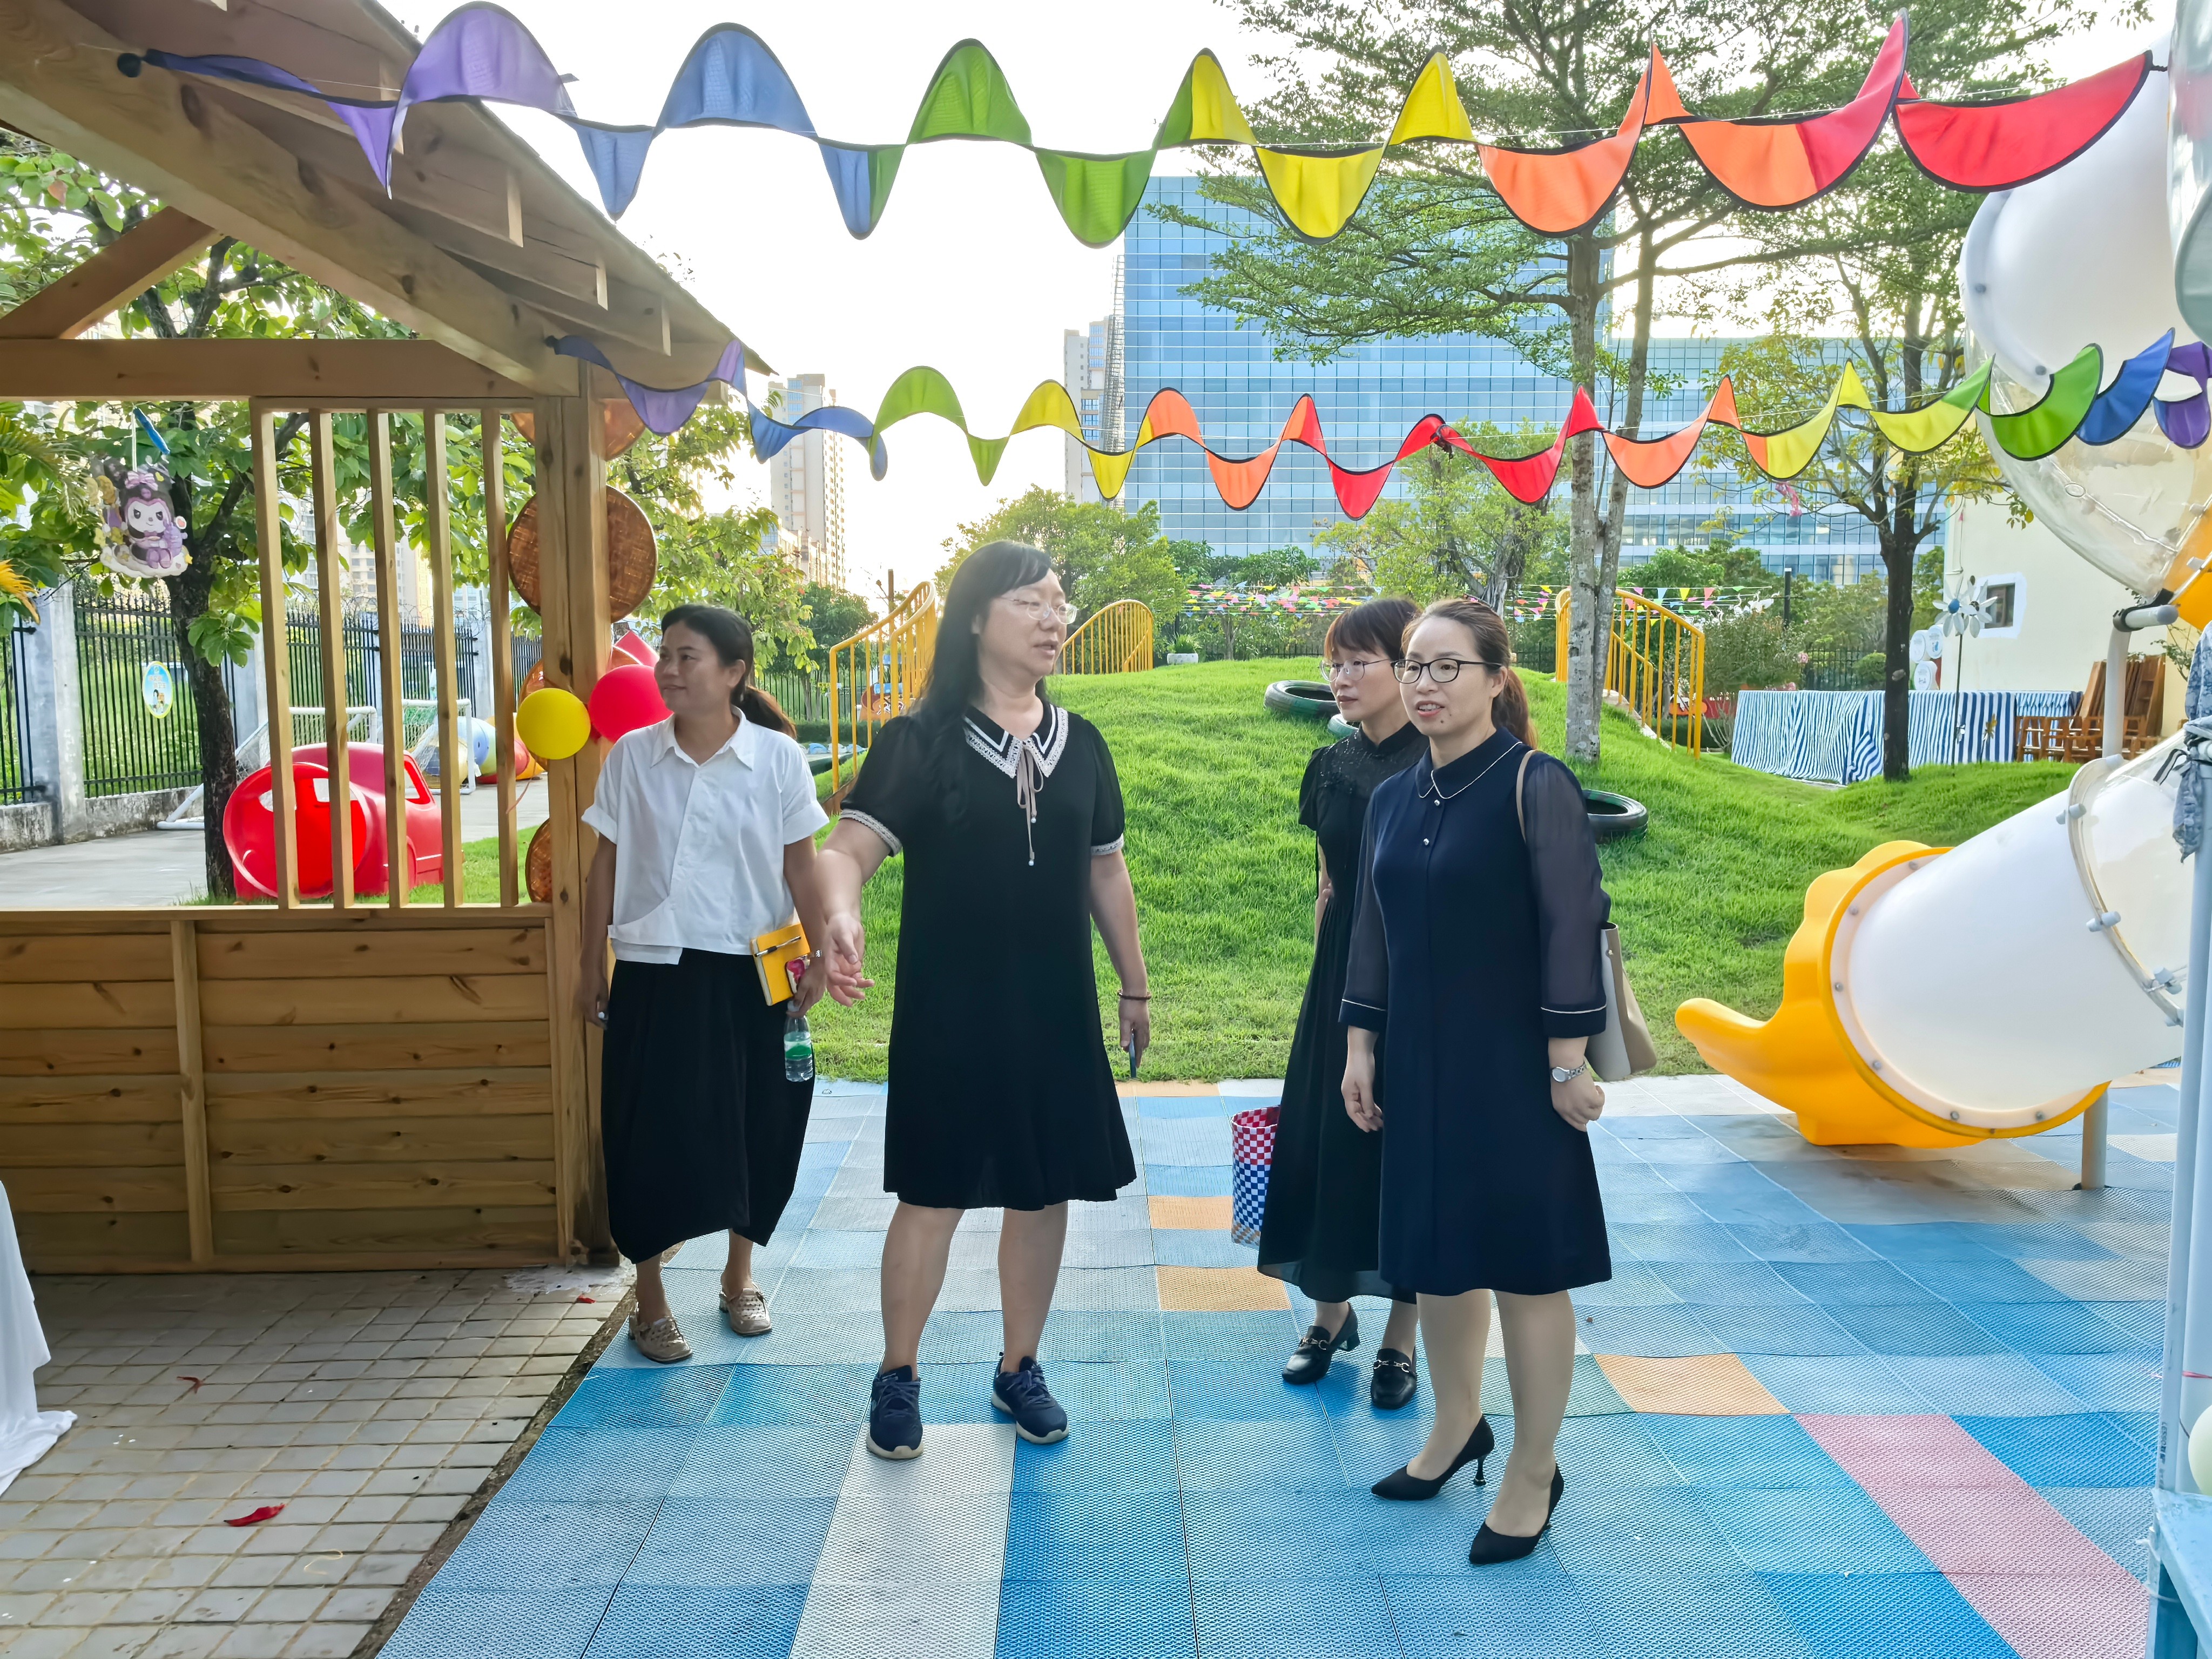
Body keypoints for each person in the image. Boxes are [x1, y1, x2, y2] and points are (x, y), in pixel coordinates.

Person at [815, 542, 1149, 1460]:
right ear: (973, 618)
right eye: (1030, 601)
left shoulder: (1083, 743)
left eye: (1059, 600)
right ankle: (898, 1374)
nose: (1053, 617)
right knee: (933, 1195)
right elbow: (845, 851)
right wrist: (839, 914)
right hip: (949, 1015)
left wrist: (1134, 983)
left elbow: (1106, 871)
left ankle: (1019, 1367)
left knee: (1042, 1195)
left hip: (1055, 1011)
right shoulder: (917, 741)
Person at [1340, 597, 1611, 1566]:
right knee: (1438, 1258)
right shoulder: (1394, 798)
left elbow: (1572, 922)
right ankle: (1457, 1428)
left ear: (1497, 679)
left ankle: (1533, 1471)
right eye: (1414, 665)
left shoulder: (1535, 783)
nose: (1425, 683)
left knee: (1528, 1269)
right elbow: (1373, 931)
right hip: (1418, 1063)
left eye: (1446, 666)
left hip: (1517, 1069)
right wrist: (1360, 1045)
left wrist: (1567, 1061)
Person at [577, 605, 832, 1364]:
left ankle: (738, 1277)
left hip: (755, 971)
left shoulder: (778, 759)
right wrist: (590, 964)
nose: (667, 669)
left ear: (734, 673)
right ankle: (649, 1301)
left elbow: (801, 865)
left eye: (686, 656)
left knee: (761, 1120)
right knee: (648, 1132)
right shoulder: (632, 756)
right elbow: (603, 867)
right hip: (655, 969)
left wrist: (822, 954)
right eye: (665, 655)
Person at [1257, 597, 1426, 1409]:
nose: (1342, 678)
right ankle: (1330, 1316)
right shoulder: (1329, 766)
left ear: (1408, 667)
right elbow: (1329, 883)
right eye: (1334, 664)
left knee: (1411, 1153)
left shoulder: (1447, 764)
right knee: (1331, 1139)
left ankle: (1403, 1336)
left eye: (1361, 662)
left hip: (1426, 982)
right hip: (1340, 978)